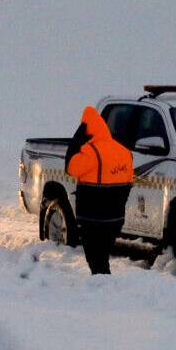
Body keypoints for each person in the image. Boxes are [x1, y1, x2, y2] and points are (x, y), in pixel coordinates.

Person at [65, 106, 134, 275]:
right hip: (115, 217)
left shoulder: (90, 152)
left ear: (85, 130)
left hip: (93, 217)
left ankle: (102, 287)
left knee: (95, 258)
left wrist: (76, 141)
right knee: (102, 256)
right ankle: (104, 285)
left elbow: (70, 167)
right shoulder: (124, 152)